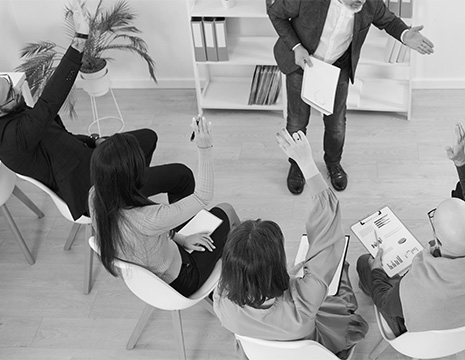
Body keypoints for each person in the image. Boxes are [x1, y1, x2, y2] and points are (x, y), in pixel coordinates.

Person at [0, 0, 194, 221]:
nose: (16, 91)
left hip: (89, 161)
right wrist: (80, 38)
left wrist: (92, 141)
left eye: (9, 84)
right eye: (9, 95)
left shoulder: (15, 117)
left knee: (148, 138)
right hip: (93, 192)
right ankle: (181, 238)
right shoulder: (12, 139)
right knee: (182, 176)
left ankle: (132, 200)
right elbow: (49, 102)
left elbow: (60, 139)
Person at [213, 129, 368, 359]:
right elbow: (329, 231)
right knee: (340, 277)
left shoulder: (222, 303)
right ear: (277, 263)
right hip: (311, 349)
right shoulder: (304, 301)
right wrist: (306, 162)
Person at [356, 123, 465, 337]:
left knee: (365, 262)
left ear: (435, 240)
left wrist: (376, 271)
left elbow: (385, 300)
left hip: (418, 338)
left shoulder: (414, 288)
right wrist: (461, 161)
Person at [267, 0, 435, 194]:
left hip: (338, 66)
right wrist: (296, 47)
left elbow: (388, 21)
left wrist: (405, 35)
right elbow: (276, 13)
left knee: (336, 125)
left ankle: (333, 163)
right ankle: (298, 164)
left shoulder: (368, 2)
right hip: (301, 63)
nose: (361, 1)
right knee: (296, 122)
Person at [89, 117, 240, 297]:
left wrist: (181, 239)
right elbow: (203, 196)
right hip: (182, 279)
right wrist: (204, 147)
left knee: (185, 185)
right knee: (226, 210)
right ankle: (246, 264)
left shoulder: (95, 196)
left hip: (148, 280)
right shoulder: (149, 217)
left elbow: (143, 236)